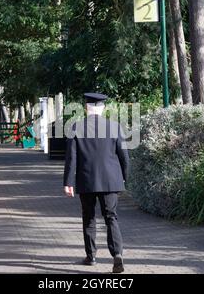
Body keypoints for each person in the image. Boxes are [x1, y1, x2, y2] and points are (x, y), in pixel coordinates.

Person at [63, 93, 130, 274]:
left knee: (89, 217)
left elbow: (71, 159)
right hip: (110, 180)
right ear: (103, 108)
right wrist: (125, 178)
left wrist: (68, 182)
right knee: (111, 217)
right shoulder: (115, 127)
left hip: (86, 180)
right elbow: (124, 157)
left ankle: (91, 256)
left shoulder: (75, 127)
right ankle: (117, 254)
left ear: (86, 108)